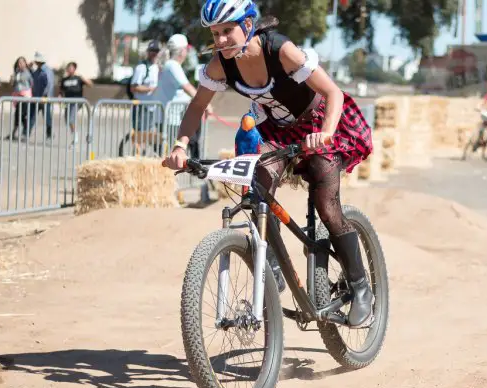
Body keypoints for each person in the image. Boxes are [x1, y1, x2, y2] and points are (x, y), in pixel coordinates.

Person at [161, 0, 375, 328]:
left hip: (318, 124)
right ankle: (271, 270)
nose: (219, 41)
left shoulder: (281, 50)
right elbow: (196, 108)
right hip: (277, 131)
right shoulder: (221, 64)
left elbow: (333, 93)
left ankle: (361, 290)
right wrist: (180, 145)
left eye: (226, 31)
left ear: (247, 26)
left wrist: (327, 133)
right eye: (214, 33)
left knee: (326, 204)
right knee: (259, 188)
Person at [153, 33, 212, 159]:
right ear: (182, 51)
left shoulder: (167, 65)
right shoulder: (173, 65)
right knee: (179, 150)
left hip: (169, 117)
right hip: (173, 119)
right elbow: (188, 88)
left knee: (170, 152)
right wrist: (205, 103)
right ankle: (195, 173)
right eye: (187, 50)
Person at [59, 61, 94, 144]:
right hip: (67, 101)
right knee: (67, 120)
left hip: (76, 101)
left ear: (74, 69)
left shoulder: (78, 78)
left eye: (71, 67)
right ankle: (74, 134)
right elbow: (61, 91)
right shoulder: (64, 79)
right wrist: (60, 97)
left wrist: (85, 79)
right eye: (68, 67)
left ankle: (75, 137)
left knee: (71, 119)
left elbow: (90, 85)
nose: (69, 69)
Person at [9, 56, 33, 139]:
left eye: (22, 62)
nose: (20, 64)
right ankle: (14, 133)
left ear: (25, 63)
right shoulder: (16, 73)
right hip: (17, 96)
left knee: (22, 115)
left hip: (25, 97)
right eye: (19, 62)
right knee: (17, 115)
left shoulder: (28, 72)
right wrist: (12, 79)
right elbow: (12, 84)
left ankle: (25, 133)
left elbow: (31, 83)